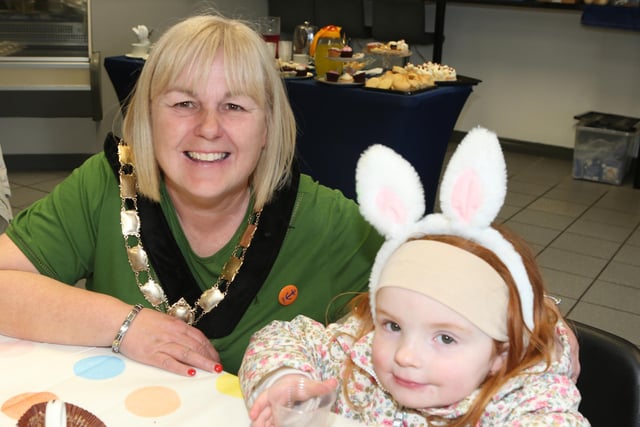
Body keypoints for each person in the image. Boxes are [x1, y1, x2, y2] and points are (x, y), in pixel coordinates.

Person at [0, 15, 383, 376]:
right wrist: (123, 324)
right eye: (184, 103)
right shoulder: (104, 186)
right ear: (148, 118)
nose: (209, 128)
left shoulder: (330, 223)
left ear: (268, 127)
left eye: (234, 106)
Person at [239, 127, 589, 426]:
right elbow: (282, 337)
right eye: (392, 325)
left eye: (446, 339)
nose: (406, 355)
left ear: (502, 351)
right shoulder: (360, 354)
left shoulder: (527, 400)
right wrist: (286, 381)